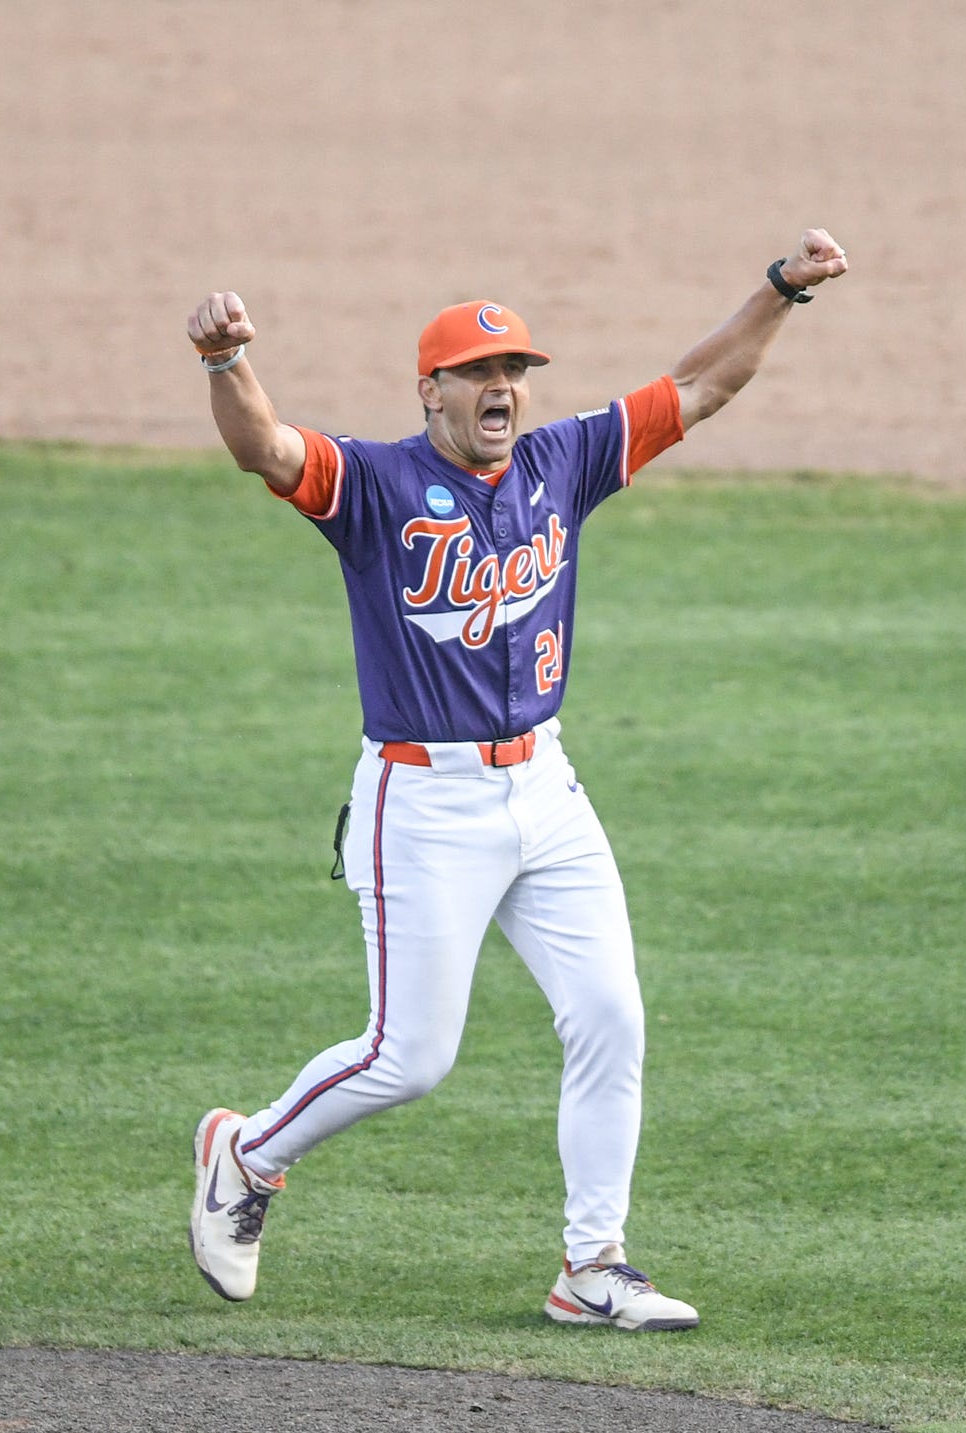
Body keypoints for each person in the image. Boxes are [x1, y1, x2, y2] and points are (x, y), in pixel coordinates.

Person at [185, 229, 849, 1329]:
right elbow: (265, 447)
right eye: (480, 374)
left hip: (544, 787)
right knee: (409, 1057)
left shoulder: (562, 461)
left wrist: (778, 290)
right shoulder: (377, 483)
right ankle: (247, 1152)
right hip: (422, 801)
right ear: (430, 390)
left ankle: (592, 1265)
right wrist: (225, 363)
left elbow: (700, 383)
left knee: (609, 1015)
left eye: (514, 373)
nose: (502, 390)